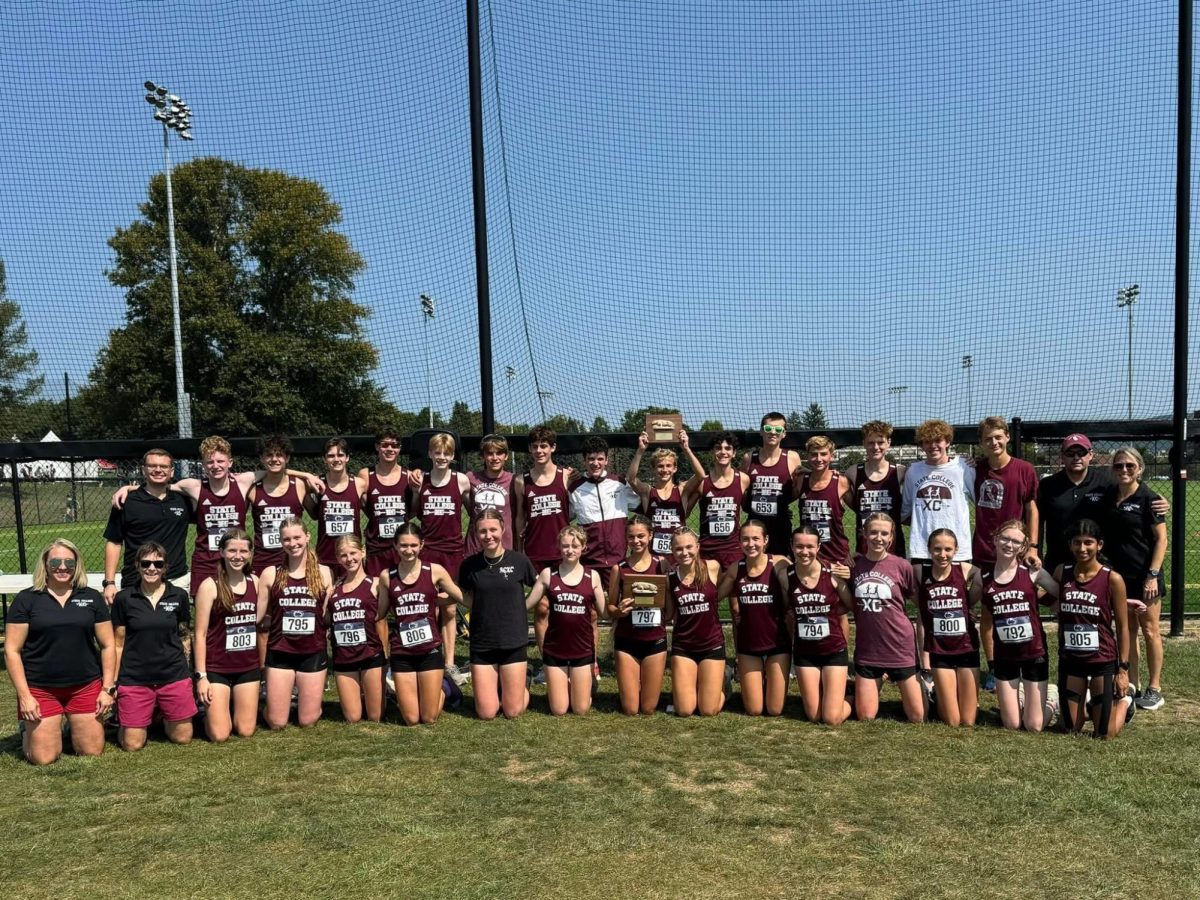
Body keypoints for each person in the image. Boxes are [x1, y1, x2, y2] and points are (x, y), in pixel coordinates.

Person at [110, 435, 318, 597]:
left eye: (220, 461)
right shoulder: (193, 486)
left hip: (237, 560)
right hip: (206, 562)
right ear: (203, 464)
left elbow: (276, 468)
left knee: (239, 608)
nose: (216, 466)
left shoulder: (244, 481)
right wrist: (130, 487)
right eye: (210, 462)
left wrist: (306, 475)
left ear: (230, 462)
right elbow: (159, 483)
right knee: (205, 612)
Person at [5, 539, 116, 765]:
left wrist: (107, 689)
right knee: (43, 758)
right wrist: (25, 697)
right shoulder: (27, 599)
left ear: (77, 566)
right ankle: (28, 731)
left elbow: (108, 645)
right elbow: (12, 651)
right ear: (45, 564)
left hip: (85, 686)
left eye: (69, 562)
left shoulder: (92, 597)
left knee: (91, 751)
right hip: (41, 688)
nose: (62, 567)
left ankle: (67, 724)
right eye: (56, 561)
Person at [1037, 433, 1168, 574]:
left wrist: (1157, 501)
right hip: (1058, 558)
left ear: (1090, 455)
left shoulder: (1105, 480)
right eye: (1070, 453)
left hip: (1096, 561)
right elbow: (1036, 521)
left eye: (1081, 452)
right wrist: (1034, 549)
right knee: (1058, 595)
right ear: (1062, 456)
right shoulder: (1047, 485)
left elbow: (1131, 485)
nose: (1076, 457)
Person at [110, 542, 195, 750]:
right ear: (137, 565)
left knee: (182, 737)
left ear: (165, 567)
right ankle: (135, 717)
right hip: (136, 678)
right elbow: (118, 643)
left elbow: (184, 636)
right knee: (132, 744)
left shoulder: (179, 596)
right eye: (146, 563)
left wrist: (187, 672)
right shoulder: (124, 599)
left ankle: (160, 713)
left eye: (158, 564)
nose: (152, 568)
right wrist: (113, 682)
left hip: (172, 675)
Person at [1100, 447, 1168, 710]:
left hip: (1145, 577)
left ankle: (1155, 687)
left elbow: (1161, 539)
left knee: (1150, 631)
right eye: (1119, 466)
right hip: (1119, 578)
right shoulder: (1109, 496)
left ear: (1140, 468)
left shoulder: (1150, 498)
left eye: (1130, 465)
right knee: (1126, 631)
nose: (1124, 470)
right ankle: (1133, 683)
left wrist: (1152, 575)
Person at [1055, 519, 1134, 739]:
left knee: (1104, 733)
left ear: (1099, 545)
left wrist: (1123, 669)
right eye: (1077, 543)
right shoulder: (1063, 572)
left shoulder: (1112, 579)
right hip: (1071, 658)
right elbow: (1046, 598)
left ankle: (1126, 703)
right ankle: (1089, 706)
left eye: (1088, 542)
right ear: (1070, 545)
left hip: (1102, 659)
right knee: (1071, 728)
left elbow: (1123, 627)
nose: (1082, 548)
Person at [378, 524, 463, 725]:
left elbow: (459, 596)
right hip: (402, 652)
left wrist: (435, 599)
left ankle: (445, 687)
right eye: (404, 545)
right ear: (395, 546)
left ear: (422, 545)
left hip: (429, 650)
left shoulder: (434, 571)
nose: (409, 550)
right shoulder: (386, 576)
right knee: (411, 719)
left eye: (414, 545)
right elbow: (381, 612)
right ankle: (421, 690)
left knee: (429, 717)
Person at [979, 520, 1060, 732]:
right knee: (1012, 724)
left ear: (1023, 547)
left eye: (1016, 541)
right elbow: (967, 604)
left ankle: (1051, 698)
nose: (1009, 544)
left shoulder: (1033, 572)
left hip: (1034, 652)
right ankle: (1024, 699)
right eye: (1005, 538)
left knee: (1034, 726)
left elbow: (1063, 593)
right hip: (1005, 655)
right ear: (995, 539)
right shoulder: (983, 576)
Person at [459, 509, 538, 720]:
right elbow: (465, 597)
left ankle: (522, 681)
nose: (488, 536)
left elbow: (541, 587)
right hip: (482, 642)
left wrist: (524, 606)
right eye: (482, 531)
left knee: (512, 711)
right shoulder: (469, 565)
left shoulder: (520, 561)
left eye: (493, 529)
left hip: (513, 641)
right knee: (487, 713)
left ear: (503, 528)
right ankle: (502, 685)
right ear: (476, 534)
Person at [848, 514, 924, 723]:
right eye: (873, 532)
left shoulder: (901, 566)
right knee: (865, 716)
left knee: (918, 717)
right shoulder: (854, 566)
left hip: (899, 645)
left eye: (884, 533)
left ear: (891, 537)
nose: (878, 538)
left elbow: (918, 601)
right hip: (869, 649)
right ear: (864, 534)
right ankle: (871, 680)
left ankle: (924, 686)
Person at [258, 517, 331, 730]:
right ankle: (272, 704)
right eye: (287, 539)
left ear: (307, 537)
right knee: (277, 722)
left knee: (307, 721)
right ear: (281, 542)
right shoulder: (271, 573)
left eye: (297, 537)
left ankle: (311, 703)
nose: (293, 543)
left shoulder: (323, 572)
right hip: (280, 651)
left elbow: (326, 616)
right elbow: (257, 616)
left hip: (312, 651)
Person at [525, 526, 607, 715]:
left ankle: (585, 683)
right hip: (555, 650)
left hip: (582, 650)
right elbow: (527, 604)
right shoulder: (548, 574)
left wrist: (622, 608)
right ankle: (540, 679)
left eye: (575, 545)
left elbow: (604, 612)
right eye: (565, 546)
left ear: (583, 547)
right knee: (559, 709)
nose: (570, 550)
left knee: (580, 709)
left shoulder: (592, 576)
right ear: (559, 547)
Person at [412, 432, 472, 684]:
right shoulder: (420, 480)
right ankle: (427, 657)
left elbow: (475, 513)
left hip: (452, 551)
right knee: (427, 607)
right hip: (427, 551)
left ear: (453, 456)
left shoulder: (461, 481)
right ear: (429, 454)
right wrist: (415, 492)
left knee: (448, 607)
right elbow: (414, 512)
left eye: (446, 453)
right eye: (437, 452)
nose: (441, 457)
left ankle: (449, 663)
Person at [193, 528, 262, 742]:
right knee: (220, 735)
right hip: (217, 668)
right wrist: (201, 676)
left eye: (243, 551)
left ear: (250, 554)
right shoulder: (210, 586)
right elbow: (199, 634)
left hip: (247, 666)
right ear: (221, 552)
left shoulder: (256, 582)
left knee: (245, 730)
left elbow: (262, 625)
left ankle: (232, 706)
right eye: (232, 550)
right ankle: (204, 714)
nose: (237, 556)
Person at [781, 526, 853, 726]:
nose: (805, 552)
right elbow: (787, 610)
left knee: (831, 718)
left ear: (819, 547)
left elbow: (850, 606)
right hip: (806, 653)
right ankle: (830, 692)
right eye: (799, 546)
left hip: (833, 650)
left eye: (810, 547)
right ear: (792, 547)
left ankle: (853, 696)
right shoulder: (786, 576)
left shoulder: (832, 574)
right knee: (814, 715)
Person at [718, 520, 789, 716]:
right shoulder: (736, 568)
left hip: (778, 644)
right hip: (748, 645)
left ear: (766, 540)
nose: (751, 544)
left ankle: (770, 680)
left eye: (756, 539)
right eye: (745, 539)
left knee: (774, 710)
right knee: (754, 710)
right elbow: (714, 597)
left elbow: (801, 583)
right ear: (739, 542)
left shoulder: (780, 563)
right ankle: (728, 680)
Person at [103, 448, 191, 603]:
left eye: (163, 467)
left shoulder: (183, 500)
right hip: (136, 579)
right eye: (152, 466)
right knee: (134, 626)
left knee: (175, 627)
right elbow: (114, 542)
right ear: (143, 469)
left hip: (176, 579)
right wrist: (109, 583)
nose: (158, 470)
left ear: (171, 471)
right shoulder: (126, 501)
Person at [914, 529, 982, 727]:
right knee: (953, 721)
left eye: (948, 549)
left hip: (966, 647)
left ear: (956, 550)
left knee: (968, 721)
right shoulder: (920, 571)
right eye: (937, 549)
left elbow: (991, 576)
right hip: (939, 650)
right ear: (928, 550)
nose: (942, 555)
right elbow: (895, 572)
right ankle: (935, 692)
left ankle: (947, 694)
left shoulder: (965, 569)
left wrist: (970, 603)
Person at [514, 425, 571, 656]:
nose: (539, 450)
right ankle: (547, 660)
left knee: (567, 609)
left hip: (562, 554)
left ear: (552, 448)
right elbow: (519, 517)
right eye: (535, 446)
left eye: (544, 446)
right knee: (542, 608)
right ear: (529, 449)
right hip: (535, 553)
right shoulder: (521, 481)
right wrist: (519, 551)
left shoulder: (565, 476)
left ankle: (573, 655)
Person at [606, 515, 668, 715]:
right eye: (631, 537)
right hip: (627, 641)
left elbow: (671, 604)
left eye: (641, 536)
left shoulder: (662, 565)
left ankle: (642, 686)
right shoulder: (619, 568)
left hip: (655, 641)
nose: (636, 541)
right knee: (631, 709)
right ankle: (631, 689)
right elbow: (610, 609)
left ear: (650, 536)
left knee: (648, 708)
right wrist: (620, 611)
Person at [665, 528, 726, 717]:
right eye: (678, 549)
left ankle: (723, 687)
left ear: (698, 547)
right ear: (672, 551)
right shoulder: (670, 579)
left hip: (712, 644)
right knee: (684, 710)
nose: (685, 553)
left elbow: (720, 592)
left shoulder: (713, 567)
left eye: (689, 547)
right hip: (684, 646)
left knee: (708, 710)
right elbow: (668, 615)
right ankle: (702, 687)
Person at [326, 535, 386, 723]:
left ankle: (380, 692)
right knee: (353, 718)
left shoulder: (376, 583)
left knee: (375, 717)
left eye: (353, 553)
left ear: (363, 552)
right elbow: (326, 620)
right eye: (343, 555)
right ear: (337, 558)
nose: (349, 559)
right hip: (344, 658)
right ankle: (366, 694)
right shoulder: (334, 589)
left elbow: (388, 615)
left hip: (371, 655)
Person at [901, 419, 975, 565]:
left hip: (956, 551)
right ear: (921, 444)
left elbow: (981, 504)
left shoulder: (963, 467)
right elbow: (905, 512)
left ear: (947, 442)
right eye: (927, 441)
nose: (933, 446)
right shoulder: (913, 471)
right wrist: (923, 525)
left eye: (938, 440)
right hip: (922, 550)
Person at [627, 430, 705, 558]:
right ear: (653, 469)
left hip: (678, 554)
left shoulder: (681, 490)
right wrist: (640, 450)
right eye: (660, 466)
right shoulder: (648, 491)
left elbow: (701, 475)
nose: (665, 470)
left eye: (669, 466)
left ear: (675, 468)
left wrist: (686, 449)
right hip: (652, 554)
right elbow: (631, 479)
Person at [683, 430, 749, 568]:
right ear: (712, 452)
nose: (723, 452)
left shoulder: (743, 479)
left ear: (734, 453)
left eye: (728, 448)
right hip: (707, 548)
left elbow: (748, 507)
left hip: (733, 549)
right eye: (718, 448)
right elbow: (685, 513)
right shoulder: (702, 482)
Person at [249, 435, 311, 577]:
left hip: (293, 560)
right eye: (269, 455)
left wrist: (308, 476)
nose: (274, 459)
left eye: (279, 455)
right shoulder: (252, 489)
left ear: (287, 458)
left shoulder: (301, 486)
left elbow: (315, 514)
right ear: (262, 458)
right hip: (262, 561)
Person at [740, 412, 802, 554]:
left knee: (780, 567)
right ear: (761, 431)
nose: (773, 433)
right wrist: (748, 506)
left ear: (784, 434)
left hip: (781, 525)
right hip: (755, 526)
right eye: (768, 429)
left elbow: (797, 489)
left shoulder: (792, 458)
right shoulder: (749, 458)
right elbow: (741, 489)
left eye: (778, 429)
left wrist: (781, 502)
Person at [304, 437, 363, 578]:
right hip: (325, 555)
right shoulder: (316, 483)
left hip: (351, 555)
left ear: (347, 457)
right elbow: (313, 515)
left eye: (340, 455)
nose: (336, 459)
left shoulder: (360, 484)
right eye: (331, 456)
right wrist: (305, 476)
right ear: (324, 459)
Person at [847, 421, 906, 558]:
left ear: (888, 443)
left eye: (880, 442)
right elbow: (828, 480)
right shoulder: (853, 472)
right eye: (870, 442)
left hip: (893, 548)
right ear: (864, 443)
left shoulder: (900, 472)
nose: (875, 447)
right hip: (865, 548)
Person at [359, 428, 413, 577]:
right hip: (377, 546)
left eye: (394, 445)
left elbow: (413, 510)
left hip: (401, 547)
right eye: (385, 445)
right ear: (377, 446)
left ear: (400, 449)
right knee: (376, 593)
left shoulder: (408, 476)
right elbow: (363, 505)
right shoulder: (366, 474)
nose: (390, 449)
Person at [794, 435, 854, 566]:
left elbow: (859, 509)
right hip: (808, 552)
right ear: (808, 456)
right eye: (814, 454)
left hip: (836, 553)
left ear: (831, 456)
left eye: (823, 454)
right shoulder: (800, 480)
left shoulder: (841, 482)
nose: (819, 459)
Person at [464, 433, 516, 555]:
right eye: (490, 453)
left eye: (499, 453)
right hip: (476, 547)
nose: (494, 458)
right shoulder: (470, 478)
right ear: (483, 456)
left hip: (504, 545)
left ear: (506, 456)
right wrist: (419, 472)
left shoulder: (515, 481)